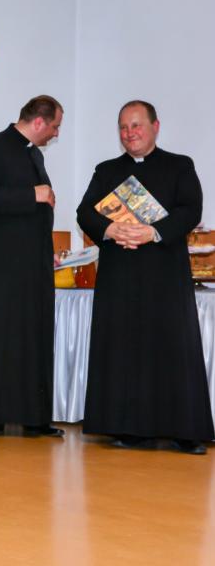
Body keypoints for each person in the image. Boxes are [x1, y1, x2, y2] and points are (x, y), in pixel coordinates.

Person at [76, 100, 213, 455]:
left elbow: (190, 209)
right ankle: (128, 428)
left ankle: (184, 432)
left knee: (173, 348)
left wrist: (152, 232)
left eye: (136, 125)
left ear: (155, 126)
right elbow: (84, 212)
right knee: (123, 350)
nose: (129, 133)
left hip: (165, 276)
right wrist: (110, 230)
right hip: (119, 277)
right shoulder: (106, 170)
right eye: (123, 127)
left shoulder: (180, 166)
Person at [0, 95, 64, 438]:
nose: (56, 133)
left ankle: (34, 418)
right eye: (54, 126)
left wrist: (47, 247)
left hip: (32, 266)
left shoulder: (34, 154)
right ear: (39, 122)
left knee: (32, 338)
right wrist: (33, 194)